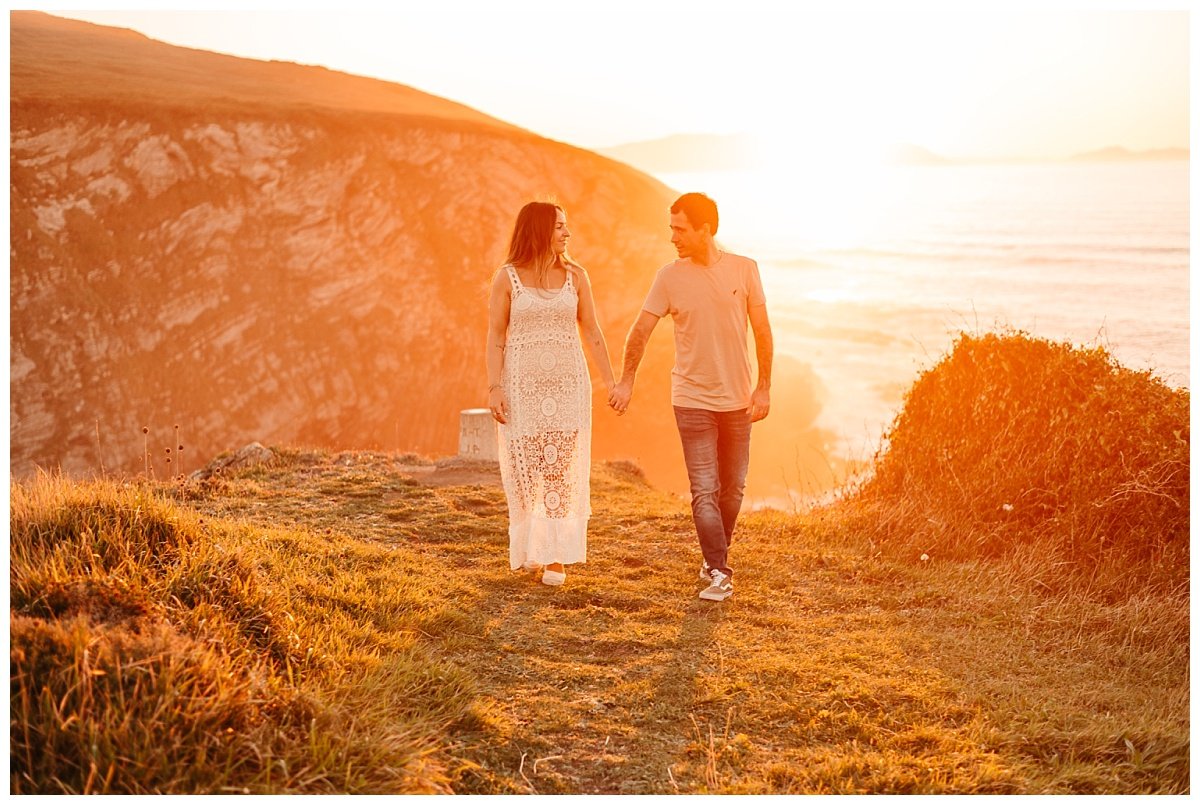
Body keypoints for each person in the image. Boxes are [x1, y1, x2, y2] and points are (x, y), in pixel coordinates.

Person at [608, 192, 773, 602]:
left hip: (737, 400)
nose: (673, 238)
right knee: (704, 488)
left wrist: (764, 386)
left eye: (680, 229)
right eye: (671, 229)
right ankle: (718, 570)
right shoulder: (668, 277)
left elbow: (764, 332)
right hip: (691, 399)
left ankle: (713, 556)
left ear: (706, 229)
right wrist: (627, 380)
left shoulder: (745, 270)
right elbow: (640, 331)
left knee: (732, 489)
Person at [486, 201, 616, 586]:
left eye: (566, 226)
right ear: (539, 230)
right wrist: (494, 387)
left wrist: (611, 382)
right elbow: (495, 335)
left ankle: (555, 556)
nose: (567, 233)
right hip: (522, 387)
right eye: (559, 226)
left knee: (558, 467)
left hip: (567, 386)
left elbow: (592, 331)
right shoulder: (506, 278)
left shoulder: (576, 277)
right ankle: (532, 546)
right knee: (527, 470)